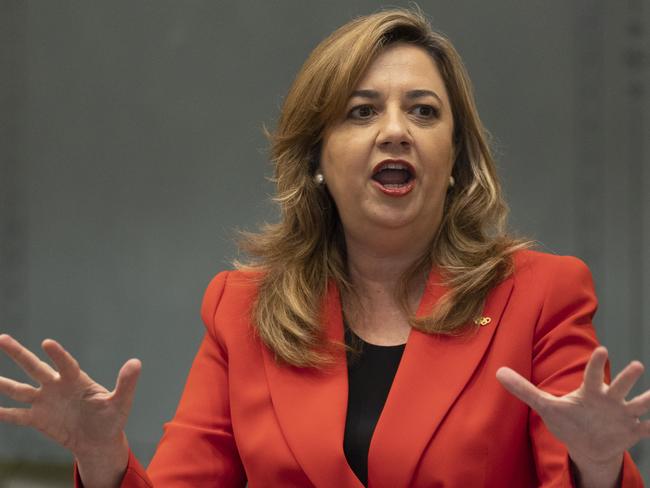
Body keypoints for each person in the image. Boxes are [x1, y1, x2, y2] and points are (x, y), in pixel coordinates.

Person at [0, 7, 647, 487]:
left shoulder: (541, 295)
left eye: (423, 111)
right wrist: (103, 457)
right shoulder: (242, 308)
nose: (395, 130)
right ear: (317, 157)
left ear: (454, 158)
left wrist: (596, 465)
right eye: (362, 111)